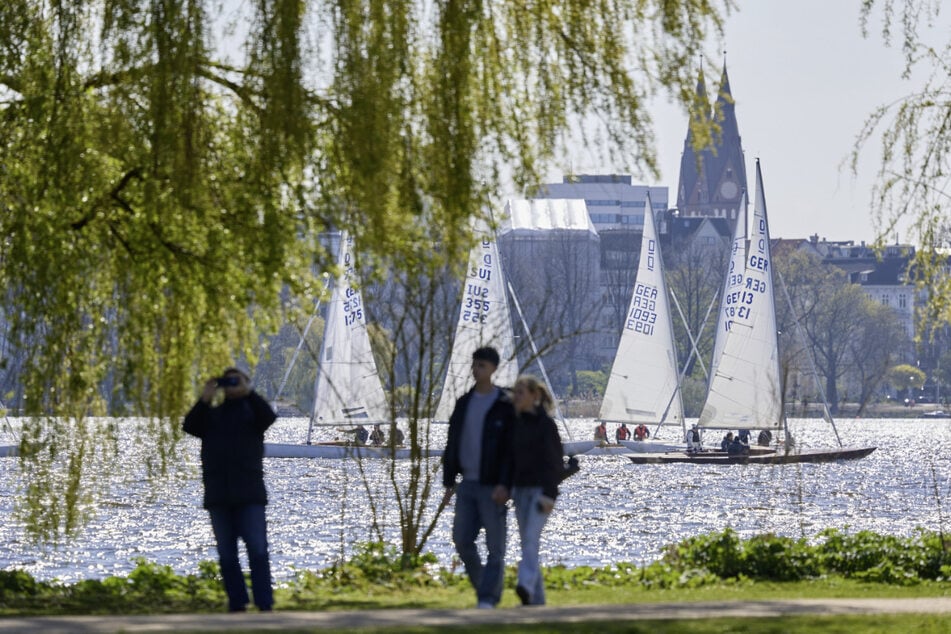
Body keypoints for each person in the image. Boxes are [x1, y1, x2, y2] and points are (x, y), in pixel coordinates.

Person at [183, 367, 277, 613]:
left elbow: (269, 417)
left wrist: (249, 393)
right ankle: (237, 603)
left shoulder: (253, 413)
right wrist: (205, 397)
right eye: (229, 382)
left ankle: (264, 602)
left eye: (238, 381)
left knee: (257, 549)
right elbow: (190, 425)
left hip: (250, 495)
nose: (233, 386)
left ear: (246, 383)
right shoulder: (212, 416)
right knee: (227, 554)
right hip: (219, 495)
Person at [441, 346, 516, 609]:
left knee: (496, 549)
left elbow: (511, 450)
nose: (476, 370)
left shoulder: (504, 405)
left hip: (494, 486)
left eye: (481, 366)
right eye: (474, 365)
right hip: (467, 485)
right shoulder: (463, 403)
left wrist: (506, 484)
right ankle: (484, 586)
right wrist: (449, 482)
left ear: (494, 369)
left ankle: (487, 599)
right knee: (462, 540)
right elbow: (452, 444)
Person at [494, 375, 564, 607]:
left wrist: (549, 495)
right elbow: (508, 460)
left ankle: (524, 585)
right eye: (516, 392)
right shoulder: (516, 425)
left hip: (540, 492)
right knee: (528, 542)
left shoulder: (546, 426)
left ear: (535, 396)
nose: (517, 396)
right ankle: (537, 601)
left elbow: (554, 463)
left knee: (530, 541)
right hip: (520, 492)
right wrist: (504, 485)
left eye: (521, 392)